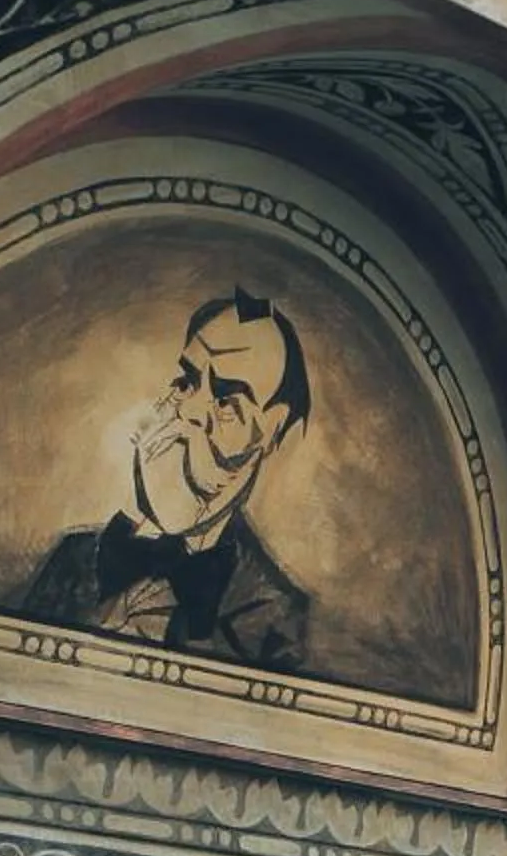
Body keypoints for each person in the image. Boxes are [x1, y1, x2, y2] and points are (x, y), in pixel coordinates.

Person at [21, 287, 312, 670]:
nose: (189, 409)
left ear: (274, 434)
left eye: (227, 402)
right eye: (188, 382)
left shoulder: (271, 616)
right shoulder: (75, 558)